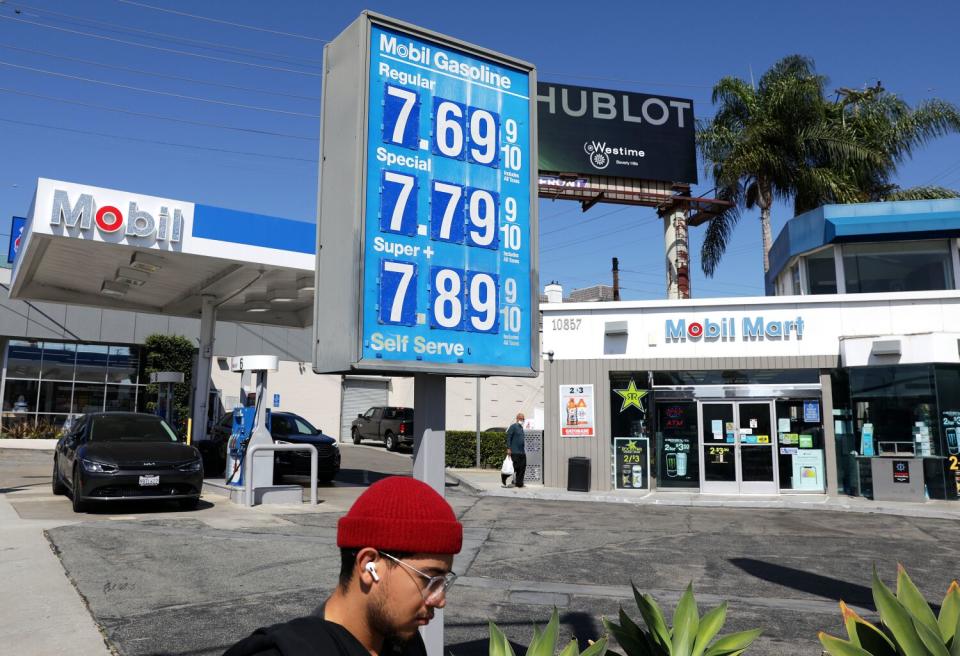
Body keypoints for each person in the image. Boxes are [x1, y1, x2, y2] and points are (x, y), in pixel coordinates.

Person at [223, 476, 463, 656]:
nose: (440, 600)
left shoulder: (404, 642)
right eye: (429, 579)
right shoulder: (290, 652)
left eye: (444, 583)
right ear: (370, 566)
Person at [505, 412, 527, 488]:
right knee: (515, 468)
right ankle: (513, 481)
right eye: (521, 419)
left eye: (523, 419)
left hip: (522, 452)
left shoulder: (521, 428)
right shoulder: (513, 427)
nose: (522, 420)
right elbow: (508, 438)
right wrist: (508, 448)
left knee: (522, 467)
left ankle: (519, 483)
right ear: (517, 419)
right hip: (515, 451)